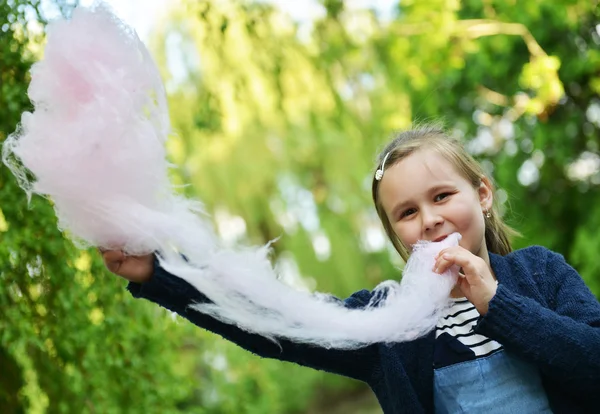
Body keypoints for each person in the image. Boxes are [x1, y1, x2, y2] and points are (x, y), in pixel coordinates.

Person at [101, 125, 600, 413]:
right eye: (406, 212)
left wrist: (498, 303)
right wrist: (159, 274)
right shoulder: (386, 324)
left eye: (442, 196)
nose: (429, 220)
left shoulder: (542, 274)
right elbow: (271, 323)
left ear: (483, 194)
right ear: (395, 232)